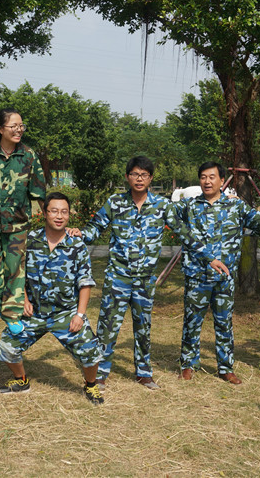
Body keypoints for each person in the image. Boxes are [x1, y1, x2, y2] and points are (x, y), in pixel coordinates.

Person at [69, 156, 230, 390]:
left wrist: (210, 257)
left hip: (145, 280)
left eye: (144, 175)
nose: (139, 179)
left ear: (151, 179)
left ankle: (144, 373)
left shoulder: (162, 205)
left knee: (143, 327)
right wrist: (79, 234)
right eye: (134, 174)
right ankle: (101, 372)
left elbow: (184, 233)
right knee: (107, 327)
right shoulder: (115, 202)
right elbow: (95, 229)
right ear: (127, 177)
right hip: (118, 277)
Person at [175, 162, 260, 384]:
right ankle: (188, 364)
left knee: (224, 322)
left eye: (212, 177)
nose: (207, 181)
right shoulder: (188, 206)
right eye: (203, 177)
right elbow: (167, 216)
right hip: (196, 275)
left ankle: (225, 368)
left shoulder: (235, 207)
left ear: (221, 181)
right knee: (192, 321)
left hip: (224, 278)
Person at [0, 192, 104, 405]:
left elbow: (85, 282)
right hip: (34, 311)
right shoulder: (30, 240)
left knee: (91, 352)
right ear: (45, 213)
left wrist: (80, 315)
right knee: (5, 346)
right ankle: (21, 380)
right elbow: (19, 272)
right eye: (54, 211)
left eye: (64, 212)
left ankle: (91, 385)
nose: (59, 216)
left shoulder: (77, 245)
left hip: (65, 313)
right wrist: (24, 299)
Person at [0, 108, 46, 336]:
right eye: (13, 126)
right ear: (0, 129)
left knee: (15, 270)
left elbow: (39, 191)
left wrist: (52, 221)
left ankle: (12, 314)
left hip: (18, 224)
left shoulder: (28, 155)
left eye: (21, 126)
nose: (18, 130)